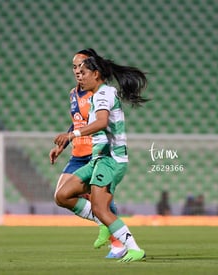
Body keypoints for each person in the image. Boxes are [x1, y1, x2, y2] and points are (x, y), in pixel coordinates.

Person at [54, 49, 149, 262]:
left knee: (100, 207)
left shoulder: (104, 93)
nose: (79, 75)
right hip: (98, 159)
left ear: (96, 74)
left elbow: (102, 122)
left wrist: (72, 135)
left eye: (84, 71)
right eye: (76, 70)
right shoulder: (95, 94)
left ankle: (133, 248)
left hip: (110, 159)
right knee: (63, 195)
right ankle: (105, 225)